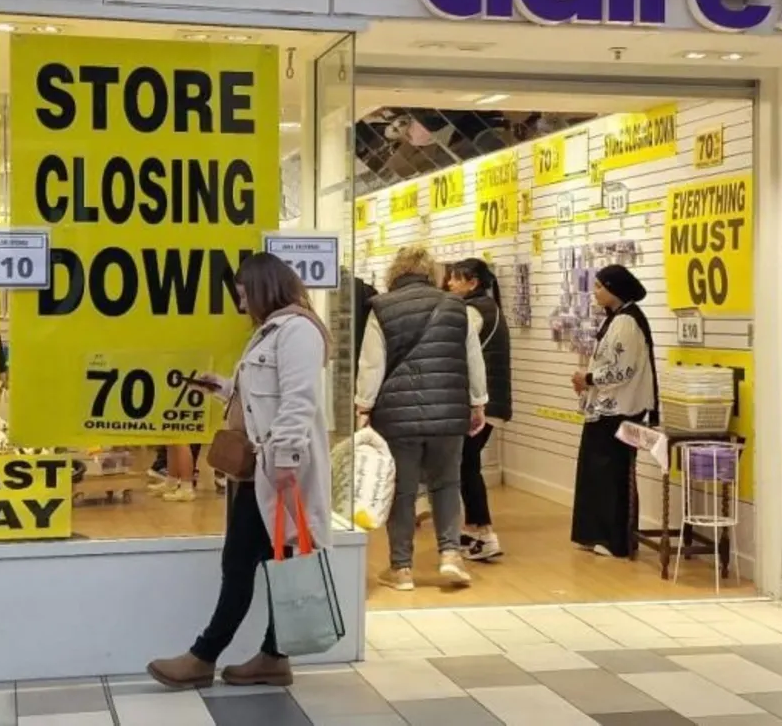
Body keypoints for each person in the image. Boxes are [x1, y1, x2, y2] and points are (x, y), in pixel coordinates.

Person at [148, 253, 332, 690]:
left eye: (244, 293)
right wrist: (224, 390)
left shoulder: (297, 332)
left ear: (264, 287)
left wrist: (285, 461)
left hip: (280, 472)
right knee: (262, 561)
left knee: (257, 562)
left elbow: (299, 401)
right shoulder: (270, 333)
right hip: (262, 471)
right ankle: (270, 657)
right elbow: (264, 400)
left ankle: (205, 656)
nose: (240, 302)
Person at [356, 246, 486, 591]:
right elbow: (473, 358)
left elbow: (372, 363)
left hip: (397, 417)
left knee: (402, 490)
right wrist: (478, 402)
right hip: (448, 410)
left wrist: (363, 406)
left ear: (394, 273)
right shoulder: (458, 308)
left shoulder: (382, 309)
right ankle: (450, 555)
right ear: (433, 273)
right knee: (446, 483)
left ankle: (401, 569)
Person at [570, 263, 659, 558]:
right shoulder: (618, 319)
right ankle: (595, 532)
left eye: (599, 286)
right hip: (605, 409)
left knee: (612, 474)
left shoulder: (626, 322)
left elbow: (622, 369)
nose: (594, 292)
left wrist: (589, 379)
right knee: (596, 473)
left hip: (620, 410)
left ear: (614, 289)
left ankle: (614, 538)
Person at [444, 259, 512, 562]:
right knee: (465, 465)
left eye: (455, 279)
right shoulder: (490, 307)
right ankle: (473, 530)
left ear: (472, 283)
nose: (449, 284)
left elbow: (459, 352)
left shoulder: (472, 312)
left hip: (481, 402)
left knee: (466, 466)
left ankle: (485, 534)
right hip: (489, 400)